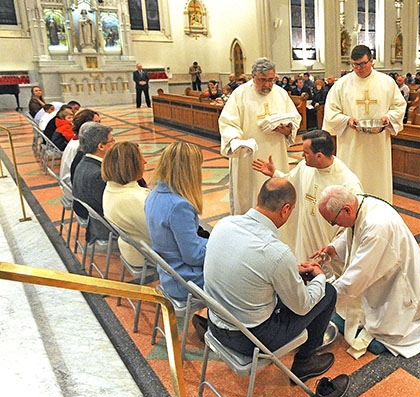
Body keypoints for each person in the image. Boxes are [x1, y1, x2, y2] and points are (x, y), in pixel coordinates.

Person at [203, 178, 339, 383]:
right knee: (327, 293)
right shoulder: (276, 253)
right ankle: (305, 360)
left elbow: (248, 269)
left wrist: (290, 272)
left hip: (214, 323)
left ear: (259, 197)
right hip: (250, 340)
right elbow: (302, 307)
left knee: (285, 288)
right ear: (286, 209)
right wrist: (319, 277)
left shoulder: (225, 224)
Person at [315, 185, 420, 359]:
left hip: (396, 277)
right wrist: (334, 248)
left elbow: (358, 276)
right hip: (385, 262)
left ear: (347, 209)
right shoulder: (360, 203)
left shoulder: (377, 227)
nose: (334, 226)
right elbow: (354, 230)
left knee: (387, 325)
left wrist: (325, 297)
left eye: (333, 222)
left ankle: (390, 327)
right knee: (362, 303)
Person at [252, 130, 362, 273]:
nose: (302, 156)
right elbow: (291, 181)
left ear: (319, 156)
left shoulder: (348, 183)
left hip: (327, 250)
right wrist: (275, 173)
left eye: (306, 153)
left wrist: (332, 248)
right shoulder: (305, 167)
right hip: (305, 240)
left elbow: (352, 225)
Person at [323, 45, 406, 203]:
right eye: (354, 64)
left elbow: (399, 106)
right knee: (352, 184)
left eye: (362, 64)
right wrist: (346, 120)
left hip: (378, 146)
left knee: (377, 186)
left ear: (371, 61)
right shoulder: (342, 85)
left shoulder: (386, 82)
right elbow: (331, 112)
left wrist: (389, 118)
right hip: (351, 145)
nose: (358, 68)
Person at [219, 57, 301, 215]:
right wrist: (236, 139)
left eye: (271, 80)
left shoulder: (281, 94)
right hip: (249, 157)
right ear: (252, 77)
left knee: (276, 196)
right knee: (249, 196)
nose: (268, 85)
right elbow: (227, 122)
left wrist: (287, 130)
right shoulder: (240, 94)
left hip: (275, 153)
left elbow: (295, 119)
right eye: (262, 80)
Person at [145, 142, 208, 300]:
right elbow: (193, 256)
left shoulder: (153, 195)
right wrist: (218, 246)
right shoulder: (179, 206)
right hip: (186, 280)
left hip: (169, 273)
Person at [102, 142, 151, 267]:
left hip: (131, 249)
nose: (145, 162)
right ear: (131, 166)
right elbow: (162, 237)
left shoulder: (110, 188)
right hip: (146, 255)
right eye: (141, 159)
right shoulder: (135, 199)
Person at [72, 122, 116, 244]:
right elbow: (110, 208)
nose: (115, 143)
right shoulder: (98, 175)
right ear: (101, 146)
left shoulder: (84, 162)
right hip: (102, 227)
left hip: (91, 218)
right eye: (112, 140)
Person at [59, 109, 100, 186]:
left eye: (99, 122)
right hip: (73, 185)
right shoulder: (81, 145)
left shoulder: (77, 139)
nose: (99, 126)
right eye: (95, 123)